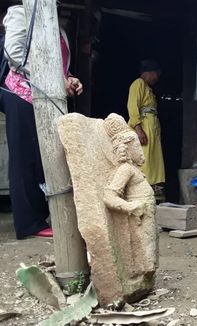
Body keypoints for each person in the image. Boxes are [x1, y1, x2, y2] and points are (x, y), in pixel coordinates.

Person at [0, 5, 83, 239]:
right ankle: (28, 224)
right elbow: (14, 54)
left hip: (46, 98)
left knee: (43, 156)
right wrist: (56, 78)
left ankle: (41, 216)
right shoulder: (20, 12)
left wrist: (69, 79)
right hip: (21, 94)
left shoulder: (59, 26)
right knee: (24, 158)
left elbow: (59, 64)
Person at [127, 60, 165, 187]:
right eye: (156, 75)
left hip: (151, 130)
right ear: (148, 73)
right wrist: (138, 130)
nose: (156, 78)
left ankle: (153, 187)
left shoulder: (149, 89)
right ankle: (142, 187)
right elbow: (132, 107)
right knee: (144, 159)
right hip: (143, 129)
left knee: (152, 160)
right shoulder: (138, 84)